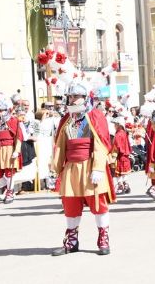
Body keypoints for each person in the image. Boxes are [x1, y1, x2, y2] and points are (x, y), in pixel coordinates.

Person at [51, 83, 114, 256]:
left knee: (98, 204)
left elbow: (101, 144)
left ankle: (103, 238)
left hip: (90, 165)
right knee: (70, 205)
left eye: (76, 96)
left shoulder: (94, 116)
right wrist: (55, 169)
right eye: (70, 96)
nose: (72, 99)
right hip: (71, 167)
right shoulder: (66, 119)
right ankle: (72, 241)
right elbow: (60, 146)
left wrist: (98, 168)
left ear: (85, 98)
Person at [0, 97, 24, 204]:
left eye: (1, 110)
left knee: (9, 172)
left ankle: (9, 192)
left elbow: (19, 136)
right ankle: (8, 187)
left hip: (10, 148)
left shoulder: (13, 120)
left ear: (6, 110)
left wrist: (16, 150)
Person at [111, 116, 132, 195]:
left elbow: (117, 146)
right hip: (125, 155)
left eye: (115, 124)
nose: (114, 126)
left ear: (119, 125)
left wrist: (113, 155)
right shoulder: (124, 133)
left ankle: (120, 186)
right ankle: (126, 184)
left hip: (120, 155)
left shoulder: (118, 134)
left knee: (118, 172)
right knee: (124, 172)